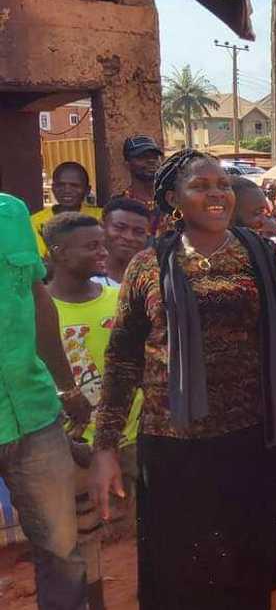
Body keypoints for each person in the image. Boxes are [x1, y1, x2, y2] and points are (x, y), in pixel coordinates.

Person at [90, 150, 276, 609]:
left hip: (253, 440)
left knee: (250, 574)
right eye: (200, 186)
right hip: (172, 447)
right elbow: (122, 361)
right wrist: (105, 447)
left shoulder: (260, 256)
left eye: (222, 185)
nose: (217, 194)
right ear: (173, 199)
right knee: (180, 576)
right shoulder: (148, 266)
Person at [42, 213, 143, 609]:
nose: (104, 252)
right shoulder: (40, 310)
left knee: (147, 527)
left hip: (131, 435)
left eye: (103, 243)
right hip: (72, 446)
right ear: (59, 253)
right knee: (83, 542)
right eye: (92, 246)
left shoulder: (118, 301)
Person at [0, 192, 92, 610]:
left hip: (33, 412)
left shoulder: (11, 212)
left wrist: (66, 387)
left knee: (61, 550)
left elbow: (38, 298)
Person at [30, 162, 102, 257]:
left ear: (87, 190)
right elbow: (41, 259)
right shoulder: (36, 222)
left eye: (75, 186)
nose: (67, 190)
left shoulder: (101, 217)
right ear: (53, 188)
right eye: (60, 185)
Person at [111, 135, 164, 236]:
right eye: (142, 157)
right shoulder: (117, 207)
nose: (151, 161)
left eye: (155, 157)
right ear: (127, 164)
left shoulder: (173, 203)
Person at [93, 198, 151, 288]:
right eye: (120, 227)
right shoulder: (81, 278)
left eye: (139, 232)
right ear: (102, 227)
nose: (129, 237)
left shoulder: (155, 283)